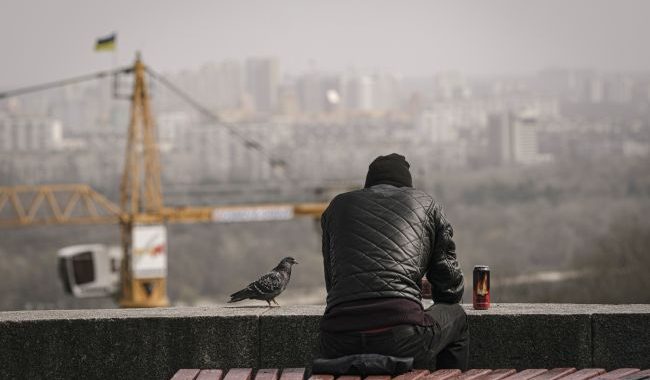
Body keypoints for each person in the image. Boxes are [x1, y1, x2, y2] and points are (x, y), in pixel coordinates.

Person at [319, 153, 469, 371]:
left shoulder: (336, 206)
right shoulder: (426, 204)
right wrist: (416, 288)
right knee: (457, 316)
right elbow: (450, 290)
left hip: (337, 339)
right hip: (403, 339)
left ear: (368, 184)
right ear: (407, 185)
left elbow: (334, 285)